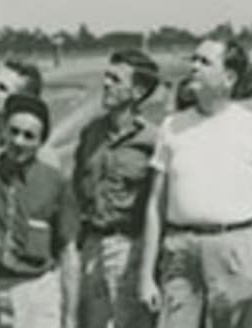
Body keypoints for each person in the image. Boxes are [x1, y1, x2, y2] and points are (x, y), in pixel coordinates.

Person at [139, 40, 252, 328]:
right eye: (193, 60)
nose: (193, 67)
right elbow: (155, 203)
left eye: (205, 62)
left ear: (229, 78)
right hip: (180, 253)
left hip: (236, 251)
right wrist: (146, 275)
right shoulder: (172, 127)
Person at [0, 93, 80, 328]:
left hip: (36, 293)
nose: (19, 141)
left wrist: (70, 319)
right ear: (4, 132)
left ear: (40, 142)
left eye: (29, 136)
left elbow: (68, 252)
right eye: (14, 131)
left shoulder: (55, 184)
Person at [67, 49, 161, 328]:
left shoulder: (153, 140)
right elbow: (76, 192)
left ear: (138, 91)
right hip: (92, 247)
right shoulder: (91, 134)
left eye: (116, 79)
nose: (106, 84)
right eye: (106, 77)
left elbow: (158, 203)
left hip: (131, 248)